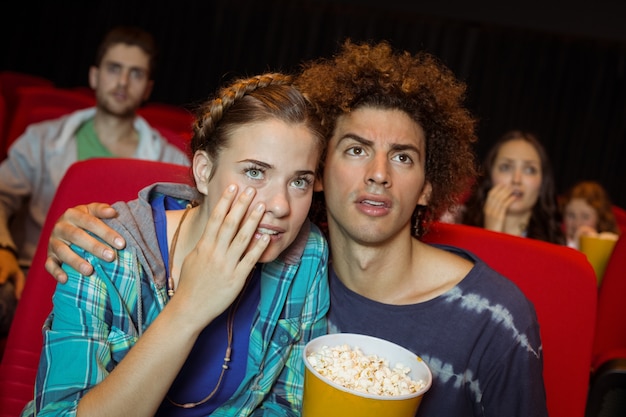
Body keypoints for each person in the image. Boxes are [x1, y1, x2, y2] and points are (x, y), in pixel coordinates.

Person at [45, 40, 547, 416]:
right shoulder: (105, 248)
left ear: (428, 185)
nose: (377, 172)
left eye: (402, 156)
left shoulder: (304, 263)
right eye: (355, 149)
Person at [21, 72, 330, 417]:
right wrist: (188, 308)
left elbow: (286, 403)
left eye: (299, 181)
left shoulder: (305, 255)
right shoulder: (103, 252)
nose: (280, 206)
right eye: (255, 172)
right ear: (203, 171)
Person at [0, 26, 190, 338]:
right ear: (94, 76)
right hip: (30, 277)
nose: (123, 82)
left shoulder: (171, 163)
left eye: (136, 74)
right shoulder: (43, 138)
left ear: (147, 88)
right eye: (114, 69)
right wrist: (3, 247)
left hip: (123, 300)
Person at [462, 130, 565, 245]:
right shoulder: (460, 235)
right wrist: (491, 235)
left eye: (529, 170)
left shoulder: (556, 247)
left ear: (542, 183)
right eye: (506, 167)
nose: (516, 180)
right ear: (489, 178)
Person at [560, 180, 620, 249]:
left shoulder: (610, 242)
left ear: (600, 218)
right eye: (571, 215)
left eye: (585, 216)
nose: (577, 223)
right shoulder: (555, 240)